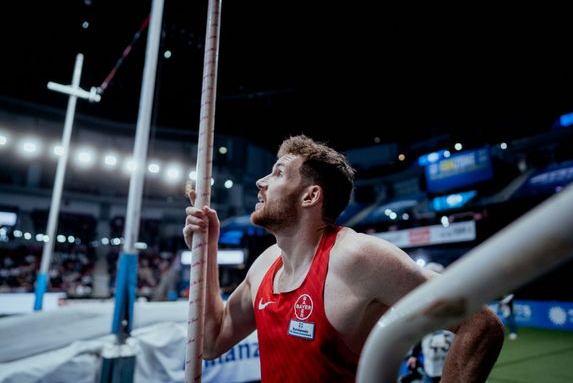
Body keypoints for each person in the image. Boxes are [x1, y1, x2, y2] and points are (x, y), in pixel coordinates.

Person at [183, 135, 504, 382]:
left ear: (310, 196)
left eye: (277, 173)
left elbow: (480, 324)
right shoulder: (266, 264)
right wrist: (207, 248)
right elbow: (211, 342)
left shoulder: (357, 257)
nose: (260, 182)